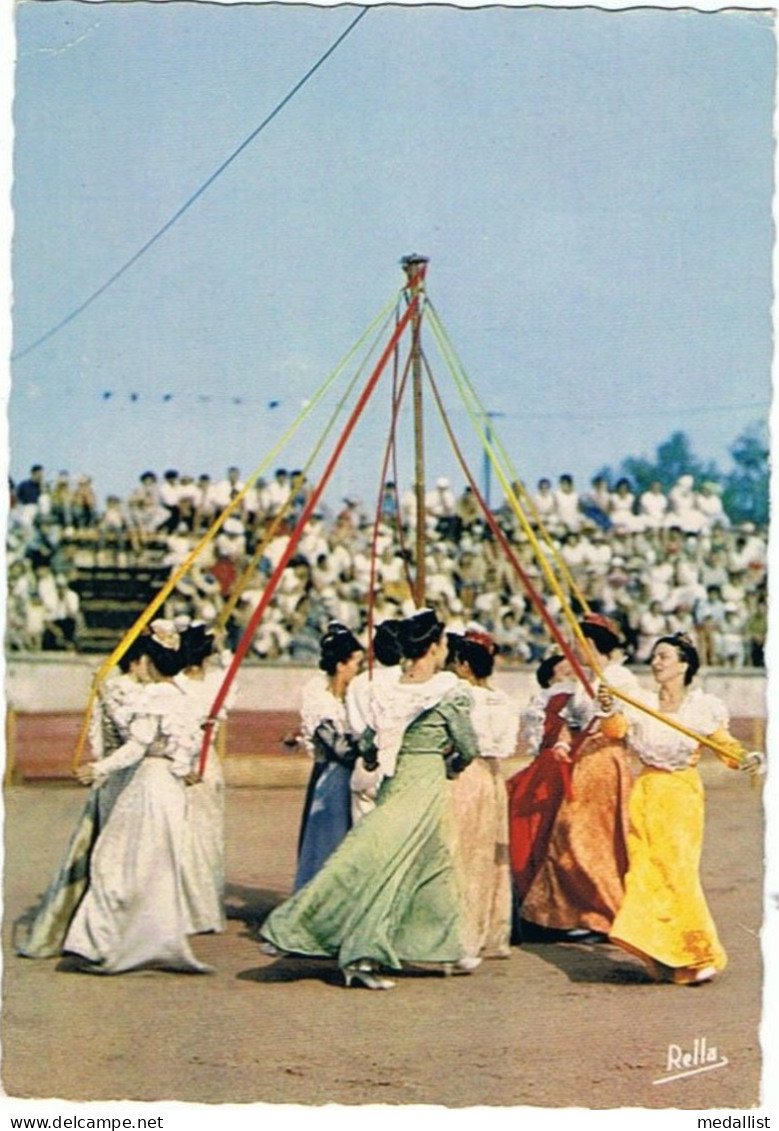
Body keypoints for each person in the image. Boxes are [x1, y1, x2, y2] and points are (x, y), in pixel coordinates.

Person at [260, 609, 480, 989]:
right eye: (442, 643)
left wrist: (379, 756)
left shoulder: (387, 688)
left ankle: (443, 945)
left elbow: (369, 743)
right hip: (424, 781)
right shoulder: (448, 691)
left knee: (432, 861)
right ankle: (356, 952)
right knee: (387, 862)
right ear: (432, 647)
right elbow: (468, 746)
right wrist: (451, 764)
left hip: (397, 780)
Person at [608, 633, 763, 984]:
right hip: (645, 793)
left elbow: (726, 748)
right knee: (645, 874)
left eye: (663, 656)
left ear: (684, 664)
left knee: (677, 873)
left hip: (681, 796)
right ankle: (663, 955)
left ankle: (698, 953)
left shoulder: (701, 706)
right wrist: (607, 707)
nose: (655, 662)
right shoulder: (640, 701)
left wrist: (746, 758)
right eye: (654, 657)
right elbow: (614, 730)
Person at [60, 625, 212, 974]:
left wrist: (98, 768)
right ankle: (143, 940)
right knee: (156, 866)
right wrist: (184, 767)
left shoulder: (156, 696)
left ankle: (102, 941)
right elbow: (185, 746)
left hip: (148, 784)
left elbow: (137, 746)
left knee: (115, 861)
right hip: (172, 789)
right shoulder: (185, 695)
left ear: (149, 660)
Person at [14, 637, 150, 958]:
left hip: (116, 775)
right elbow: (118, 737)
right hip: (120, 777)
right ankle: (101, 933)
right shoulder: (124, 690)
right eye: (147, 662)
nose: (152, 668)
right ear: (134, 662)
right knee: (113, 853)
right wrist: (102, 767)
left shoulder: (118, 687)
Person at [519, 613, 638, 943]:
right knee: (569, 836)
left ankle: (607, 913)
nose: (570, 648)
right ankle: (579, 913)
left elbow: (621, 726)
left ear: (591, 645)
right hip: (583, 763)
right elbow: (572, 725)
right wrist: (561, 742)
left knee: (587, 839)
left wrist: (609, 711)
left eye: (576, 643)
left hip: (605, 763)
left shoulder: (619, 678)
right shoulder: (587, 680)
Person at [447, 628, 520, 960]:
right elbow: (504, 745)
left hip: (463, 775)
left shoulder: (457, 695)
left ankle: (460, 933)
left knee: (460, 854)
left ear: (463, 664)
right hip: (493, 777)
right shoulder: (503, 701)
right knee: (487, 855)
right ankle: (489, 928)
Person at [506, 653, 587, 927]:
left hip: (564, 764)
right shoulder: (558, 695)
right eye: (560, 663)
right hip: (556, 767)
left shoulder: (576, 692)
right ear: (551, 674)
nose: (568, 664)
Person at [293, 623, 365, 891]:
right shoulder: (319, 700)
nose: (359, 670)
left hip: (354, 779)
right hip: (331, 780)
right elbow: (339, 748)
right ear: (340, 665)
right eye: (356, 663)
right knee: (328, 844)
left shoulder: (355, 696)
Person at [177, 623, 237, 934]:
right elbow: (232, 677)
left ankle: (190, 910)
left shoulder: (176, 685)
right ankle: (201, 911)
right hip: (201, 761)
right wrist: (223, 647)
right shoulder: (215, 683)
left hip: (185, 762)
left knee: (187, 837)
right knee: (205, 837)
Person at [346, 618, 403, 821]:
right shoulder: (410, 682)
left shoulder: (359, 683)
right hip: (399, 765)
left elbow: (355, 728)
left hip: (367, 766)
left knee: (363, 837)